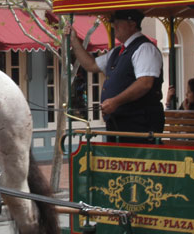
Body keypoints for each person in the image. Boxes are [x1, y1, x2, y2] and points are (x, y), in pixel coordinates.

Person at [68, 9, 165, 138]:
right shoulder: (117, 52)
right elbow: (90, 65)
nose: (115, 26)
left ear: (132, 24)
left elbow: (145, 83)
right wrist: (74, 41)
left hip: (139, 123)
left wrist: (115, 102)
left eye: (119, 22)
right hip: (119, 122)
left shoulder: (144, 48)